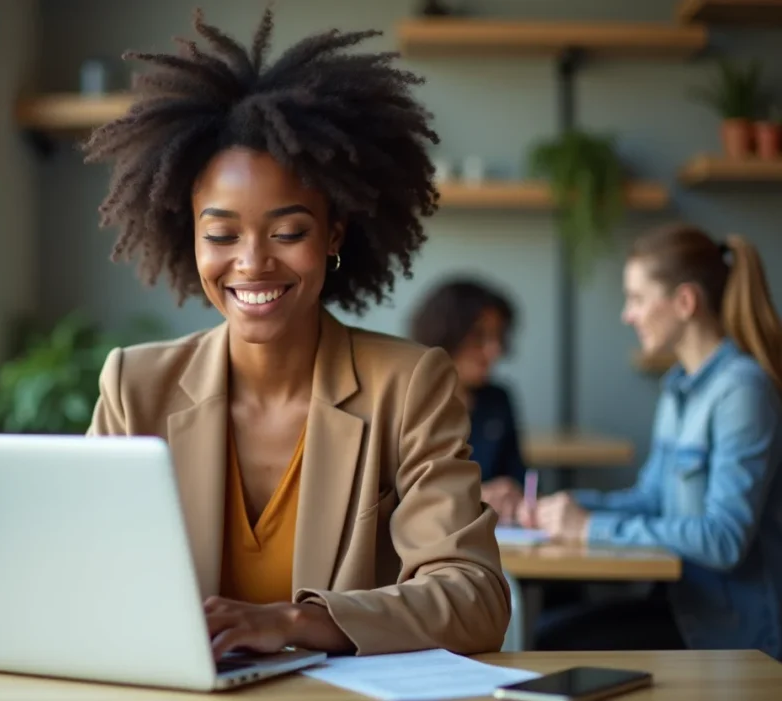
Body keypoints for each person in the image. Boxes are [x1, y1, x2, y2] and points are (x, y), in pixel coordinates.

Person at [81, 6, 511, 659]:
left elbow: (475, 598)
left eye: (288, 232)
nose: (253, 262)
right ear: (188, 238)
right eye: (221, 234)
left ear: (333, 234)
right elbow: (83, 575)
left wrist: (291, 622)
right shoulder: (134, 387)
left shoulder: (409, 385)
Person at [518, 223, 782, 658]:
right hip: (681, 605)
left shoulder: (742, 392)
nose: (628, 314)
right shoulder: (679, 388)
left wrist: (589, 528)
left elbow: (724, 540)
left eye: (637, 299)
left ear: (684, 302)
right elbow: (651, 498)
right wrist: (563, 507)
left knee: (548, 642)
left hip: (727, 630)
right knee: (543, 631)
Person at [409, 278, 527, 523]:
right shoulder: (406, 401)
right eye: (479, 337)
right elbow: (394, 496)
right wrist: (475, 496)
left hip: (497, 539)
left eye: (498, 337)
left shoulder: (498, 400)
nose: (494, 350)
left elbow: (521, 479)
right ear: (446, 335)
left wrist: (513, 494)